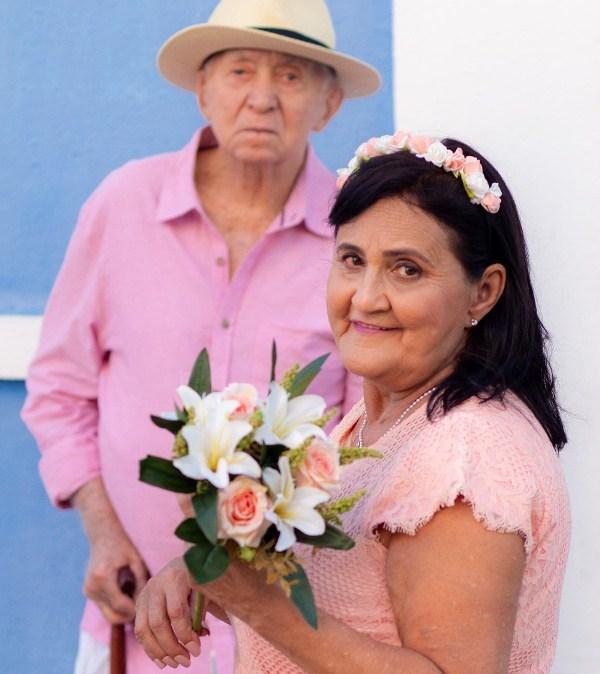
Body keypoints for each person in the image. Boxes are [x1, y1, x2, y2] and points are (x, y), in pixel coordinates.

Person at [21, 1, 381, 672]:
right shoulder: (123, 203)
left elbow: (367, 432)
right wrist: (103, 536)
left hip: (286, 639)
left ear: (329, 105)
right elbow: (59, 392)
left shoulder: (354, 237)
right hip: (133, 626)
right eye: (240, 70)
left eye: (293, 77)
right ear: (203, 90)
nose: (262, 98)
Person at [133, 132, 570, 673]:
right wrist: (203, 573)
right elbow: (352, 608)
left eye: (406, 269)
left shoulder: (464, 460)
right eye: (352, 259)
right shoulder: (389, 420)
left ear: (483, 292)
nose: (365, 297)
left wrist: (265, 609)